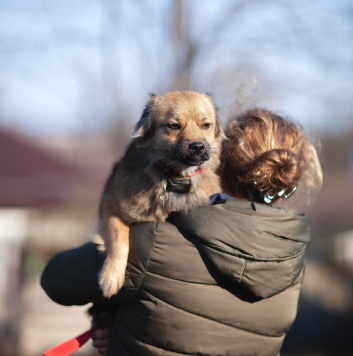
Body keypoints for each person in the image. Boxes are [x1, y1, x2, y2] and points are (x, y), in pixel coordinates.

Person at [40, 108, 323, 356]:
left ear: (222, 156)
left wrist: (116, 324)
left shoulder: (154, 240)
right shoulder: (294, 261)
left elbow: (55, 280)